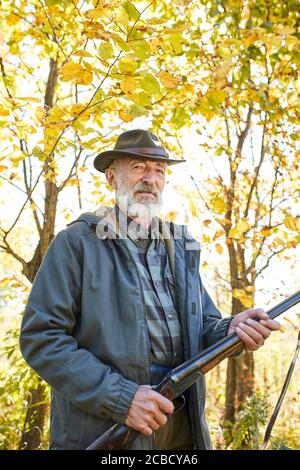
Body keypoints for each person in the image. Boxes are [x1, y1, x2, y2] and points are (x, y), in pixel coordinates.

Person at [19, 129, 280, 450]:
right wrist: (122, 399)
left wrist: (232, 329)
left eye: (159, 170)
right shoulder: (76, 244)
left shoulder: (181, 248)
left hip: (182, 435)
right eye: (139, 167)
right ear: (112, 178)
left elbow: (203, 329)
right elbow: (42, 338)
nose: (151, 178)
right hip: (104, 429)